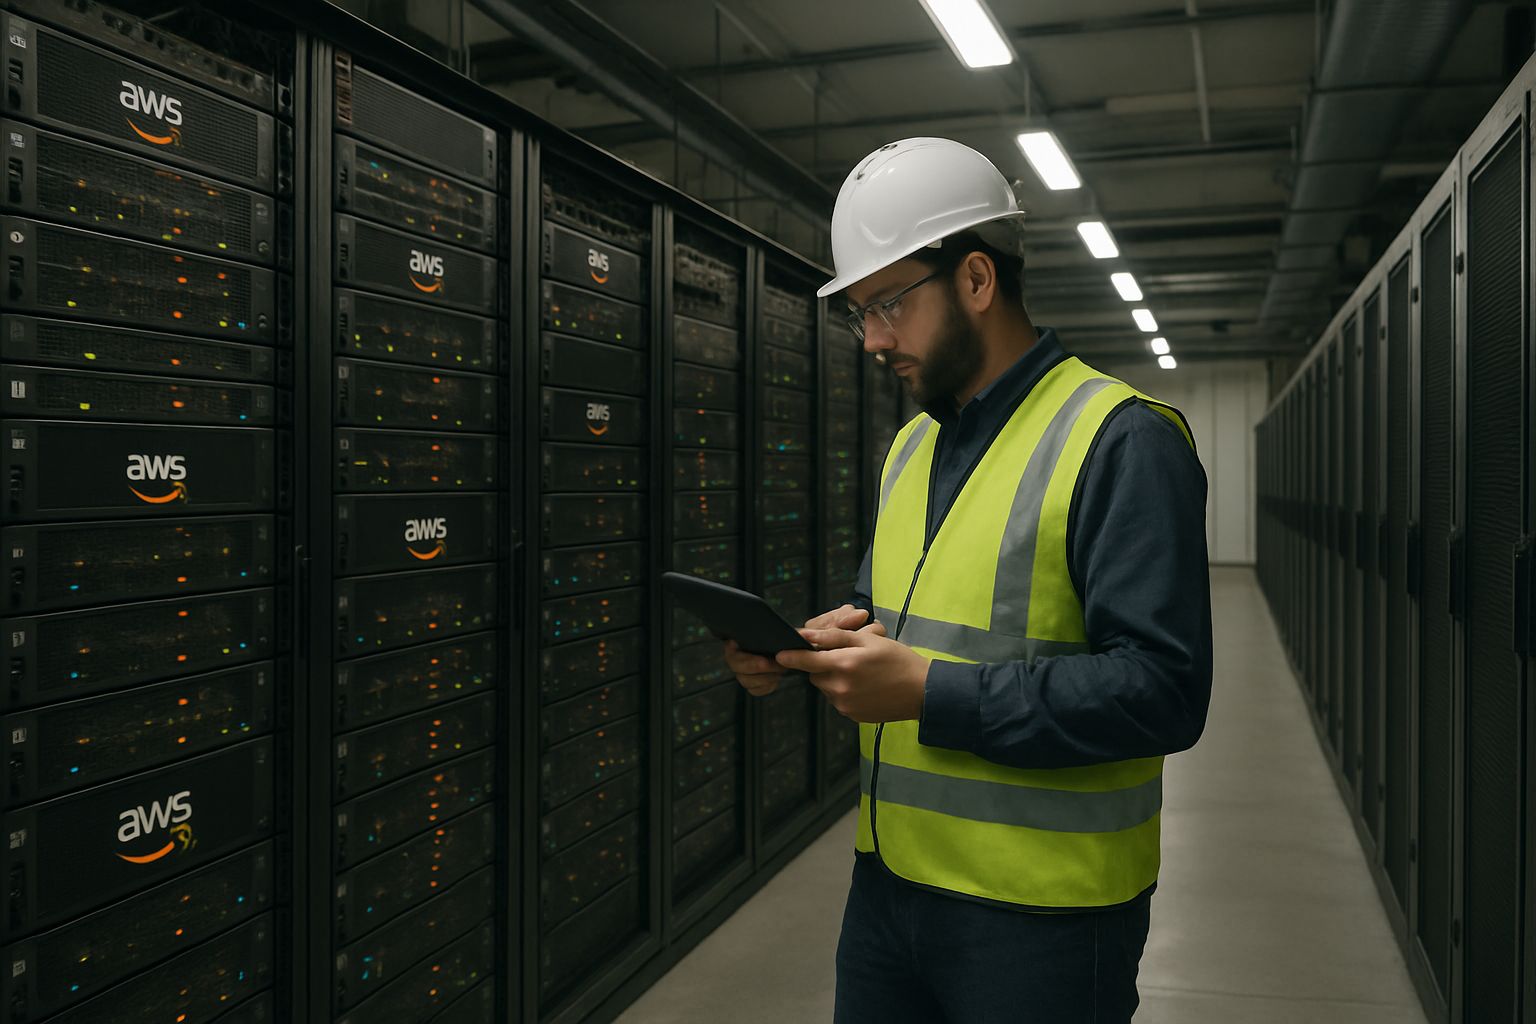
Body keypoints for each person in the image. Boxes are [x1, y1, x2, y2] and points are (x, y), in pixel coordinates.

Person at [723, 137, 1214, 1023]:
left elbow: (1164, 691)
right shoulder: (912, 445)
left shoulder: (1121, 440)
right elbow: (911, 619)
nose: (872, 339)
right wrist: (818, 650)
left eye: (890, 305)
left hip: (1046, 921)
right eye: (859, 314)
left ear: (978, 280)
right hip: (889, 887)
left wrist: (932, 693)